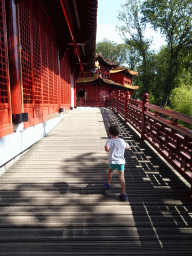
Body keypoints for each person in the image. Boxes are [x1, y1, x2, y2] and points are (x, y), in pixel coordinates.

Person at [104, 124, 130, 201]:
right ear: (119, 133)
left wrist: (107, 149)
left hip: (113, 161)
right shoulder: (122, 141)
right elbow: (128, 147)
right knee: (121, 177)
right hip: (121, 162)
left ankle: (108, 184)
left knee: (110, 171)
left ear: (110, 134)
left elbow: (107, 149)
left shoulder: (109, 141)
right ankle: (123, 193)